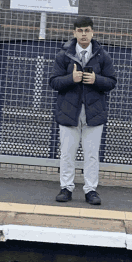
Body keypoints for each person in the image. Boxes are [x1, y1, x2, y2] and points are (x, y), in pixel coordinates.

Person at [49, 16, 117, 205]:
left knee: (92, 154)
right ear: (74, 33)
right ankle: (66, 188)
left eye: (87, 30)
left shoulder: (102, 55)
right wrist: (71, 78)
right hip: (69, 113)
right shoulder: (63, 55)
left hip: (94, 114)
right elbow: (54, 82)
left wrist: (97, 80)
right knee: (67, 153)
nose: (84, 34)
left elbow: (112, 82)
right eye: (80, 30)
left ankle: (91, 190)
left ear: (92, 32)